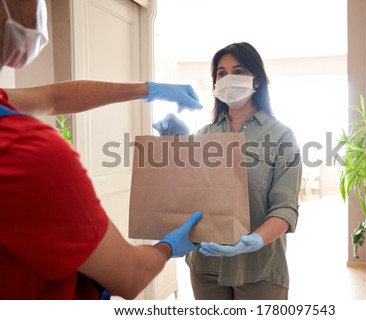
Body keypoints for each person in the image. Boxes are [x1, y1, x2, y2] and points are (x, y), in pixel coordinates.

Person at [0, 0, 203, 299]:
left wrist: (147, 89)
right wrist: (168, 246)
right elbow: (131, 276)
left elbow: (53, 98)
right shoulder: (26, 151)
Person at [185, 42, 302, 300]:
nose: (228, 79)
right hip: (206, 266)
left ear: (256, 81)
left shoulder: (281, 136)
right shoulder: (203, 135)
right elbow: (189, 197)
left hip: (259, 267)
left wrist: (254, 241)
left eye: (238, 71)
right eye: (222, 73)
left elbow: (285, 208)